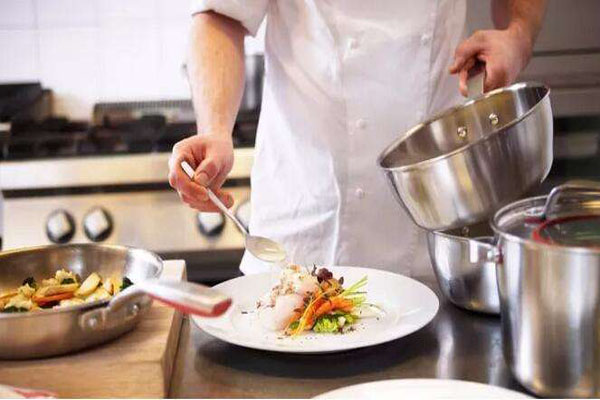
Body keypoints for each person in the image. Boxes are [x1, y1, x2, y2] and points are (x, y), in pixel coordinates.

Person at [168, 0, 547, 276]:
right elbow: (219, 16)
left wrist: (518, 35)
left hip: (432, 214)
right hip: (308, 216)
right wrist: (216, 129)